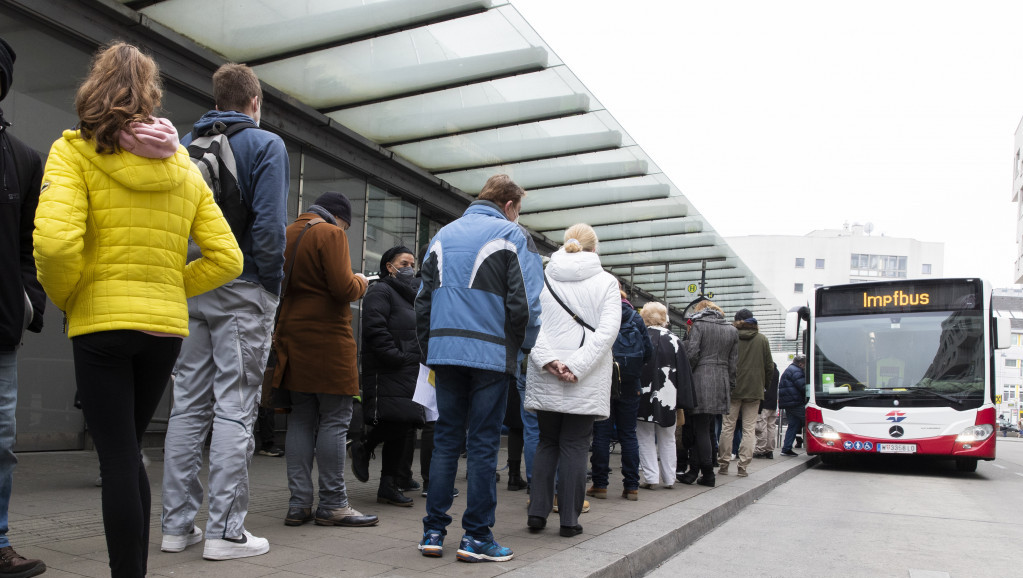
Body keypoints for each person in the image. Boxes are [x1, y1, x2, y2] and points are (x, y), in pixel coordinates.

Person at [34, 42, 243, 577]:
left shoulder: (74, 151)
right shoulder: (185, 166)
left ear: (94, 87)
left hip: (101, 324)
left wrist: (72, 296)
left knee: (119, 456)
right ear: (152, 92)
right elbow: (227, 259)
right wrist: (172, 287)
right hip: (163, 329)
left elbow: (56, 247)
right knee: (129, 451)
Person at [161, 62, 289, 561]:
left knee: (188, 405)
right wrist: (270, 289)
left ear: (216, 98)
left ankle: (176, 528)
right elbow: (269, 231)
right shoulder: (265, 145)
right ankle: (225, 532)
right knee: (236, 405)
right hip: (244, 287)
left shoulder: (183, 146)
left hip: (191, 287)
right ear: (254, 102)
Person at [415, 174, 543, 562]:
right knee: (484, 444)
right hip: (490, 354)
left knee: (446, 441)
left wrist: (430, 349)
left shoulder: (441, 236)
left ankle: (433, 533)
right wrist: (519, 350)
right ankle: (476, 538)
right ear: (509, 206)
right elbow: (527, 305)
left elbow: (422, 302)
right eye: (517, 211)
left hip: (444, 350)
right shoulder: (512, 237)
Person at [269, 192, 377, 528]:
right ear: (340, 217)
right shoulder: (331, 233)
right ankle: (333, 503)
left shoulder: (286, 232)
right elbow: (343, 289)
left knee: (301, 417)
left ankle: (299, 503)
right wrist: (361, 281)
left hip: (291, 335)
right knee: (335, 418)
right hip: (328, 339)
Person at [524, 224, 619, 537]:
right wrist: (576, 366)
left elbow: (531, 323)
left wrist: (550, 361)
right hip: (585, 377)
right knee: (576, 445)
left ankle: (537, 513)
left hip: (546, 372)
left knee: (547, 442)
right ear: (595, 248)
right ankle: (569, 520)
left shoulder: (543, 277)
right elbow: (607, 333)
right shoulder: (606, 283)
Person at [0, 37, 48, 578]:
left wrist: (28, 303)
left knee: (0, 446)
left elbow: (29, 248)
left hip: (1, 328)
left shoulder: (22, 160)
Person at [351, 245, 424, 508]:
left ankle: (388, 485)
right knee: (397, 420)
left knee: (404, 425)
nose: (410, 269)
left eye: (412, 264)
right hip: (389, 367)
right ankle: (365, 445)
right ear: (389, 266)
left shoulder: (411, 296)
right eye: (404, 263)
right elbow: (374, 328)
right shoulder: (380, 290)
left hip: (407, 368)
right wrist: (396, 356)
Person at [588, 289, 652, 501]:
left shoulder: (599, 315)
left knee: (601, 434)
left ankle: (600, 485)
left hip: (604, 380)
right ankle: (631, 487)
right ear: (625, 300)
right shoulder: (636, 317)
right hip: (630, 382)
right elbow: (648, 352)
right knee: (628, 434)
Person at [636, 302, 695, 490]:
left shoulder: (640, 336)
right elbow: (684, 373)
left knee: (644, 435)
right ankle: (669, 478)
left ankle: (651, 477)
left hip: (643, 393)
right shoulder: (674, 340)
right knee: (668, 437)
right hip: (668, 395)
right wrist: (684, 400)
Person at [679, 300, 737, 487]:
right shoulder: (731, 330)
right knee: (706, 427)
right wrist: (730, 385)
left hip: (701, 380)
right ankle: (694, 472)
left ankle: (708, 474)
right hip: (720, 381)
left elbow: (693, 353)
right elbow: (733, 363)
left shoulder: (699, 325)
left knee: (701, 429)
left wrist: (686, 376)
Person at [718, 308, 773, 478]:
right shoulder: (762, 339)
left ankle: (724, 464)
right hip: (754, 390)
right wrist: (764, 385)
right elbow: (769, 366)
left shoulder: (730, 336)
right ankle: (743, 466)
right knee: (749, 429)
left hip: (732, 389)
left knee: (728, 427)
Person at [779, 354, 807, 456]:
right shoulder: (796, 371)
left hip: (788, 403)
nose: (805, 366)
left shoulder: (790, 369)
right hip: (795, 402)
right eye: (805, 364)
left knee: (793, 425)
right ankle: (812, 445)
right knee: (811, 419)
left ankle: (786, 448)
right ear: (801, 364)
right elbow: (803, 387)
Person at [754, 365, 780, 459]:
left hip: (764, 402)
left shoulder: (764, 370)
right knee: (771, 427)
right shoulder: (776, 371)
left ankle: (760, 450)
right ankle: (769, 450)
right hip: (773, 403)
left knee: (761, 427)